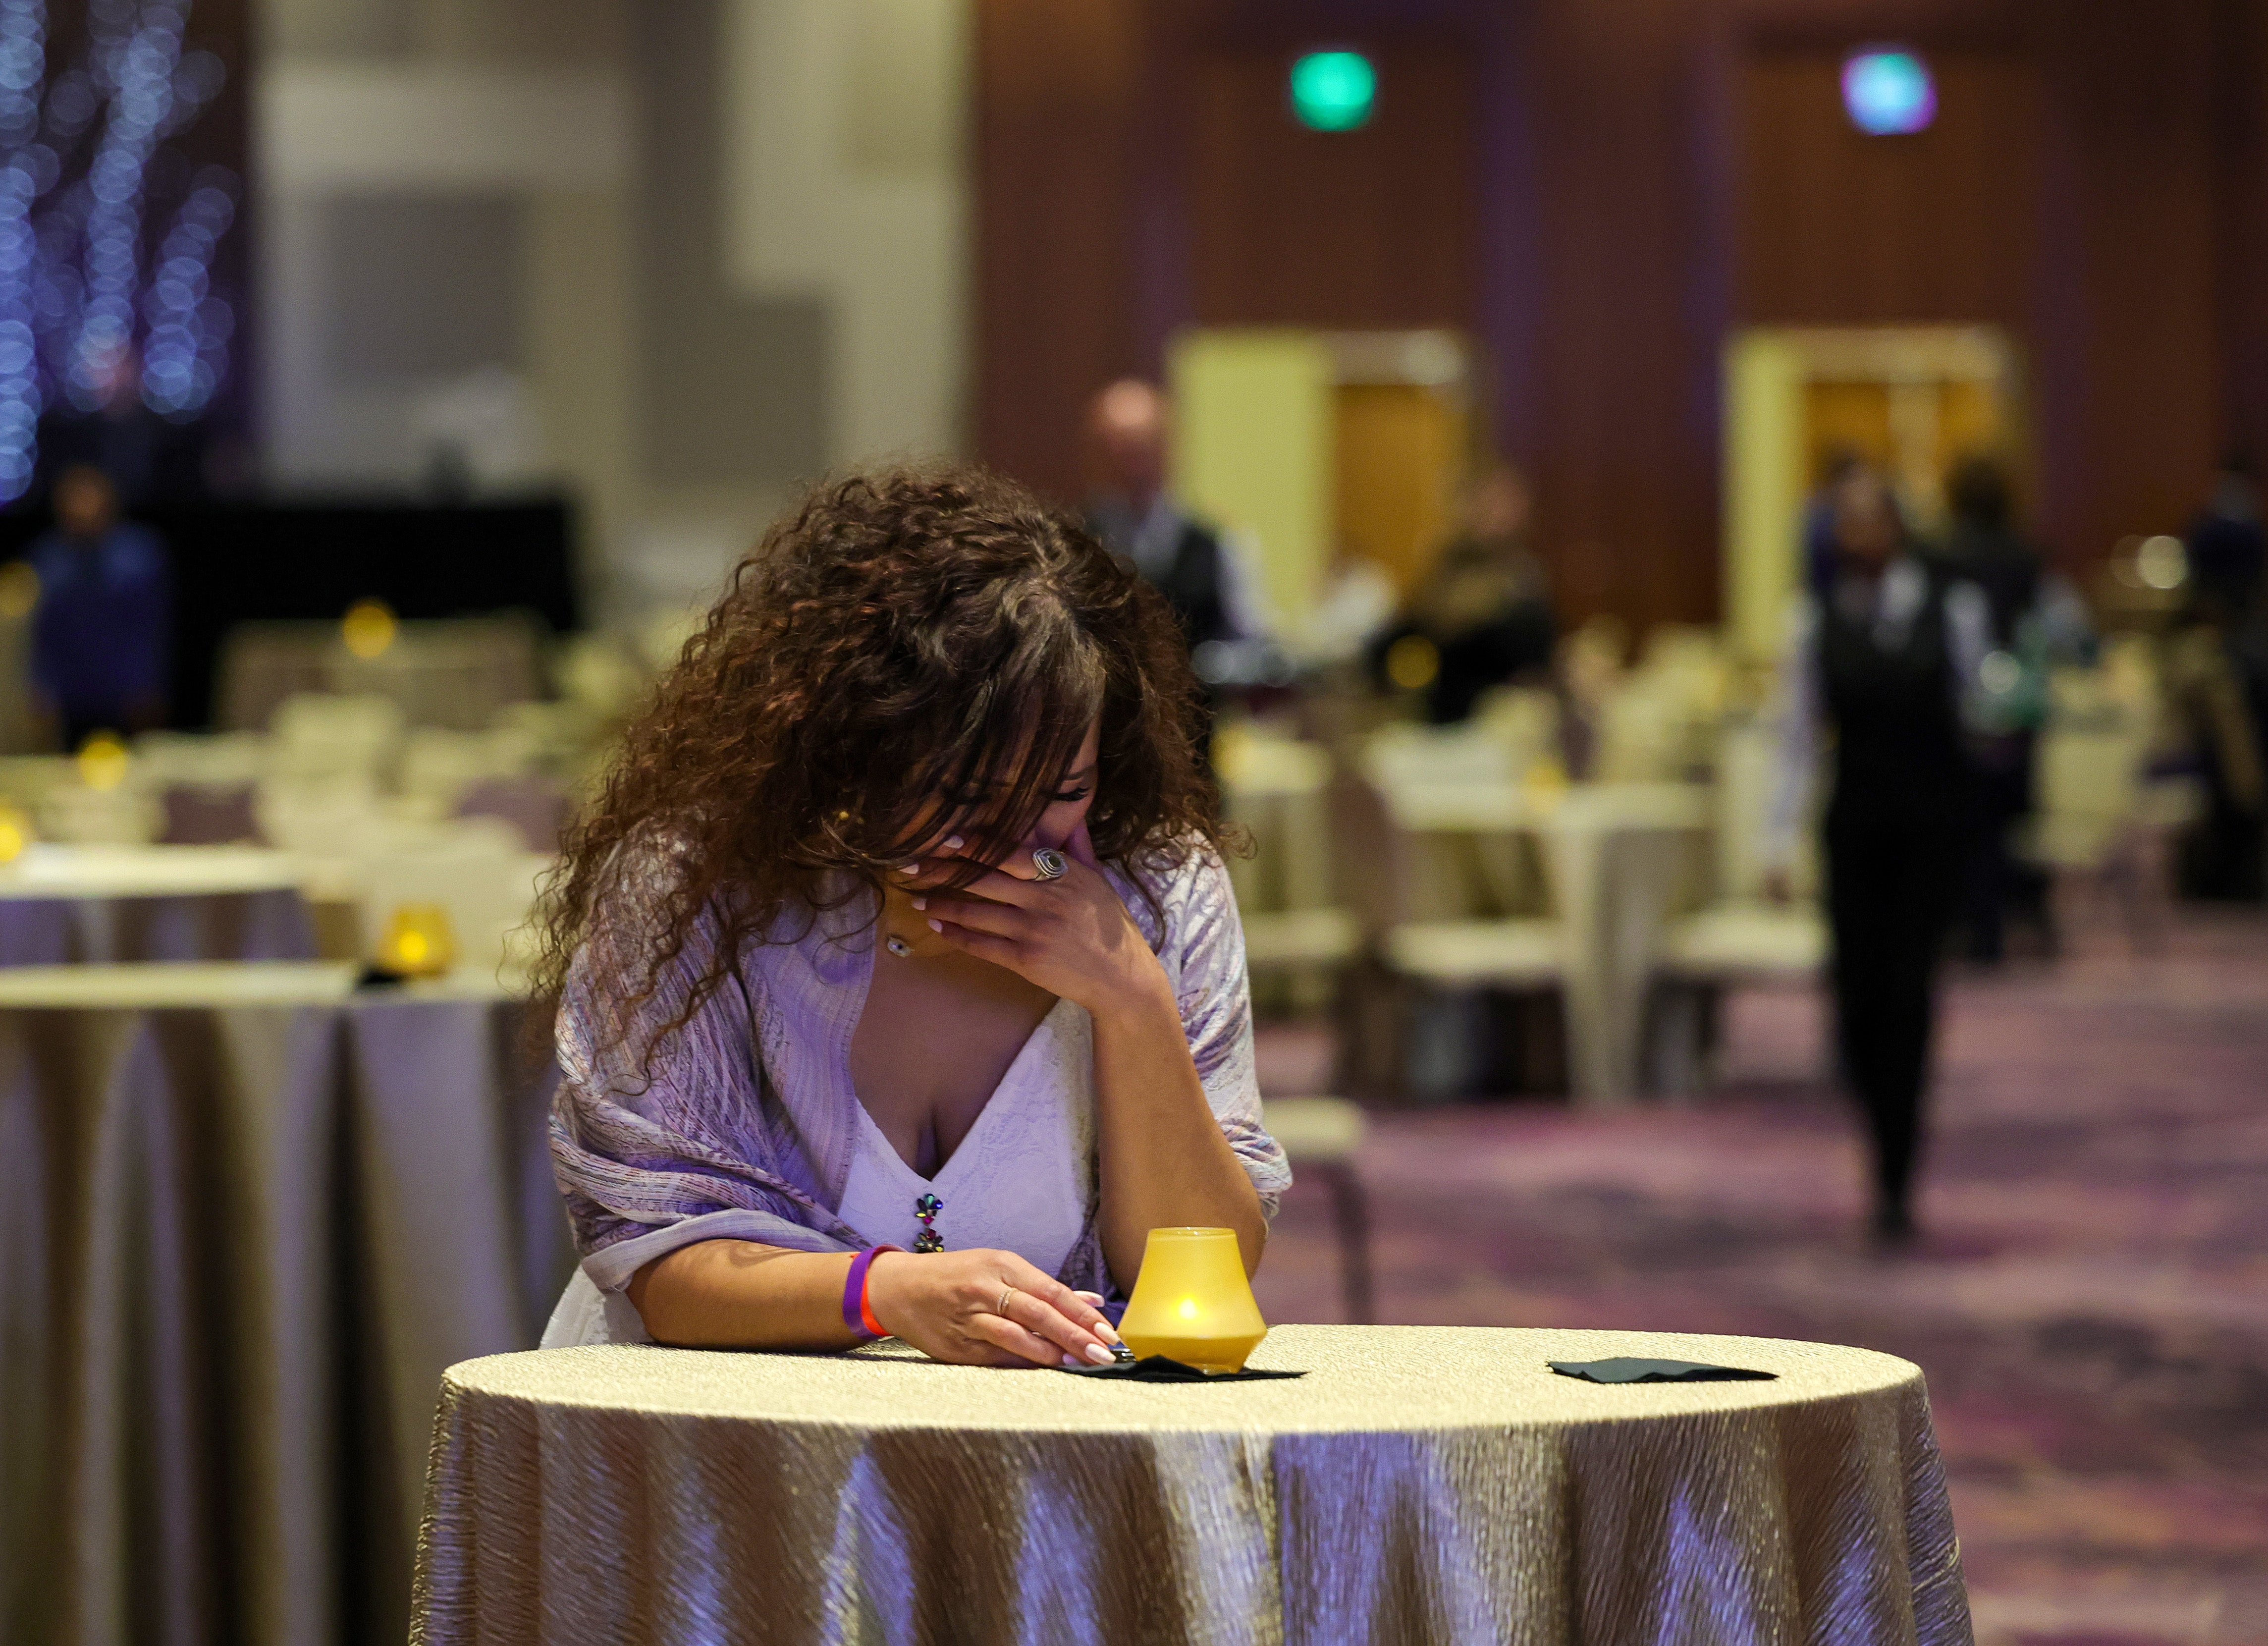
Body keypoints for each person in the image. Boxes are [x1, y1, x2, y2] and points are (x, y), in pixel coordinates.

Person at [536, 466, 1288, 1364]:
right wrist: (884, 1292)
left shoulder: (1157, 888)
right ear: (847, 750)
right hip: (713, 1439)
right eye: (963, 792)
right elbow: (663, 1265)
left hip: (1038, 1449)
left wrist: (1130, 998)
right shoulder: (694, 886)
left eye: (1061, 790)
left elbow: (1204, 1282)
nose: (1012, 836)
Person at [1766, 466, 1993, 1243]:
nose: (1853, 534)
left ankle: (1896, 1169)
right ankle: (1875, 1115)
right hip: (1853, 827)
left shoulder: (1953, 612)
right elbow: (1793, 740)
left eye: (1868, 519)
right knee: (1856, 999)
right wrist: (1773, 839)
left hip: (1929, 828)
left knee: (1910, 994)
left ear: (1896, 528)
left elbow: (1980, 713)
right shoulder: (1810, 620)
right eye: (1843, 521)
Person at [1940, 455, 2093, 961]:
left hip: (1963, 709)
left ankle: (1973, 924)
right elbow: (2068, 629)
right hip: (2018, 710)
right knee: (2006, 823)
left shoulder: (1943, 558)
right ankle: (2001, 921)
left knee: (1966, 820)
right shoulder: (2028, 558)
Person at [1082, 380, 1268, 652]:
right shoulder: (1069, 541)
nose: (1131, 467)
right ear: (1094, 454)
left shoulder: (1220, 544)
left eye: (1139, 449)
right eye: (1115, 449)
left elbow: (1253, 646)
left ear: (1167, 448)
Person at [1372, 463, 1556, 724]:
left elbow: (1532, 653)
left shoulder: (1521, 575)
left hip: (1493, 710)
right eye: (1485, 504)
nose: (1494, 515)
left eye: (1503, 506)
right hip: (1435, 700)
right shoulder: (1447, 566)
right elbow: (1413, 628)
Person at [27, 464, 171, 750]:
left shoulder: (139, 557)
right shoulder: (48, 560)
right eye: (75, 498)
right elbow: (45, 635)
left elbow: (150, 630)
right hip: (71, 696)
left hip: (127, 695)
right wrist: (41, 688)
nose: (83, 507)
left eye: (90, 496)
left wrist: (148, 688)